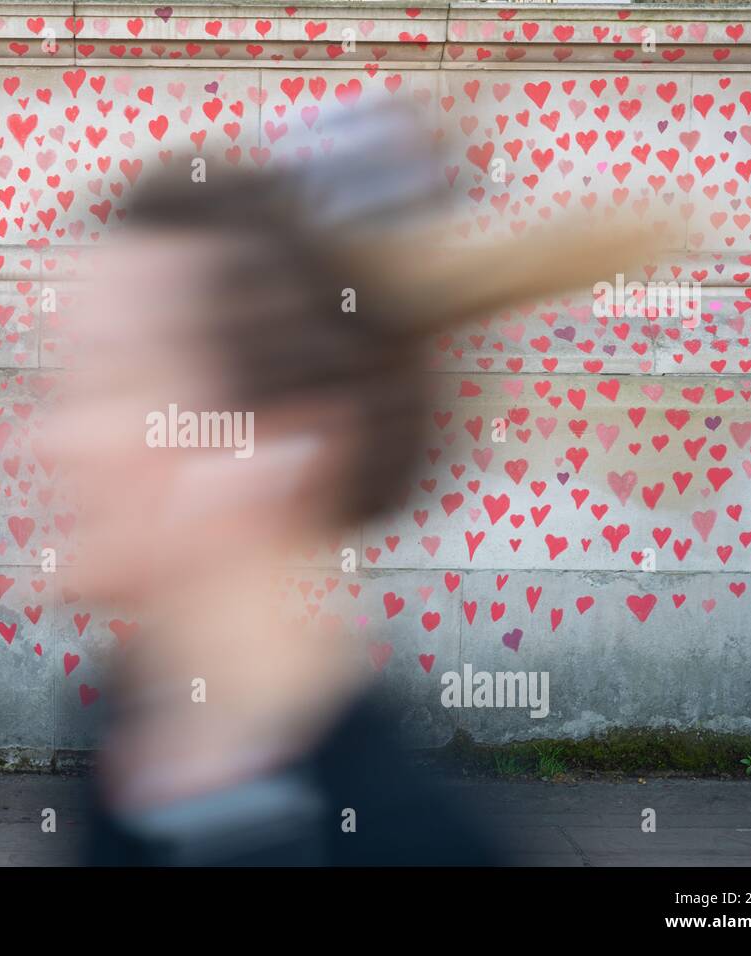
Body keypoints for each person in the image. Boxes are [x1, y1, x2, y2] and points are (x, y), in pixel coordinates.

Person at [45, 100, 664, 865]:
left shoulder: (407, 845)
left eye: (113, 379)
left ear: (273, 450)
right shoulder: (132, 733)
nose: (46, 442)